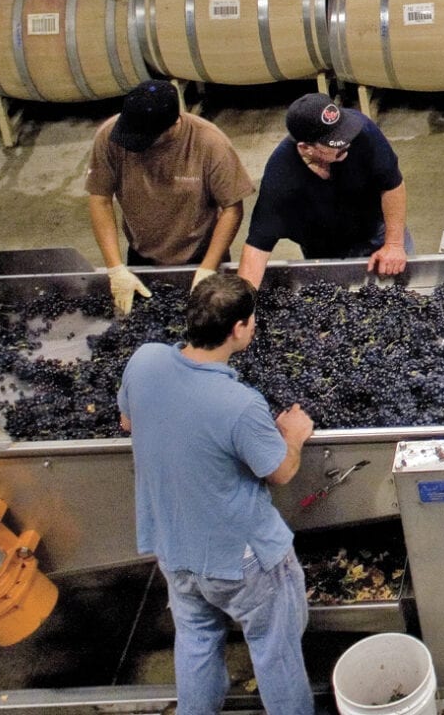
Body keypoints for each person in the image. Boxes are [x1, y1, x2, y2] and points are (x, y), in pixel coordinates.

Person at [117, 274, 315, 715]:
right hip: (243, 561)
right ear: (239, 329)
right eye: (252, 321)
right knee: (274, 652)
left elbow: (129, 423)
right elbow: (280, 471)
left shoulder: (145, 360)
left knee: (196, 642)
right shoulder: (240, 404)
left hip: (174, 549)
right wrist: (294, 435)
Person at [86, 80, 255, 316]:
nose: (136, 147)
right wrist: (115, 268)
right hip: (141, 255)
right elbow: (100, 199)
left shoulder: (209, 143)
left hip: (200, 255)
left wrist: (207, 268)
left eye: (145, 139)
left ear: (173, 123)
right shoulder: (110, 137)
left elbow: (232, 208)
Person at [237, 93, 410, 288]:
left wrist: (394, 244)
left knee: (399, 291)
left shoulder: (362, 130)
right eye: (335, 141)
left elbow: (392, 184)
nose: (347, 142)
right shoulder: (281, 176)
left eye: (344, 132)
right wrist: (245, 308)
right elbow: (257, 247)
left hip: (375, 229)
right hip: (322, 248)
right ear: (306, 148)